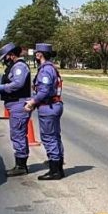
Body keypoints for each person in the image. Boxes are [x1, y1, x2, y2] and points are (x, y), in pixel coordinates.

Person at [0, 43, 33, 177]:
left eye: (6, 57)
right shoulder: (14, 66)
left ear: (12, 55)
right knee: (17, 134)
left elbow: (18, 84)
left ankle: (21, 166)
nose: (5, 59)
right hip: (14, 104)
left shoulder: (19, 66)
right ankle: (20, 163)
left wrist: (2, 88)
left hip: (19, 104)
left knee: (18, 134)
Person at [24, 43, 64, 180]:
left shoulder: (46, 70)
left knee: (49, 138)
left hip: (49, 107)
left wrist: (32, 102)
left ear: (39, 54)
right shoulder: (51, 68)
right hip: (54, 105)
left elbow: (44, 90)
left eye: (36, 53)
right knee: (55, 136)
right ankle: (58, 168)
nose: (35, 55)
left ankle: (55, 171)